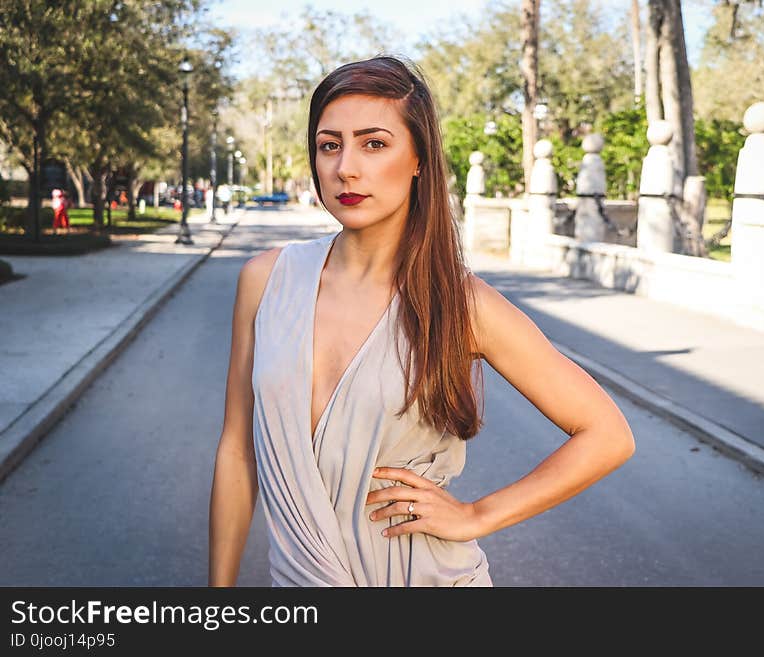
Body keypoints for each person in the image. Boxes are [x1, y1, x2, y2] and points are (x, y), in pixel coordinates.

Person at [208, 56, 635, 587]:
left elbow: (607, 433)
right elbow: (237, 448)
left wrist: (476, 515)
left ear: (418, 159)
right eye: (329, 144)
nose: (346, 168)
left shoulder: (460, 304)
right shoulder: (265, 280)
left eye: (375, 143)